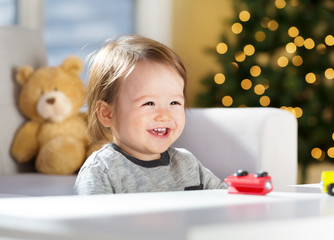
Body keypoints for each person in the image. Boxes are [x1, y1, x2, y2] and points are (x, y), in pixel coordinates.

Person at [74, 35, 228, 194]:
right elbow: (92, 218)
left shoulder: (188, 164)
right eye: (149, 103)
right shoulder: (101, 171)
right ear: (107, 114)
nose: (164, 115)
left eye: (174, 103)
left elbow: (226, 201)